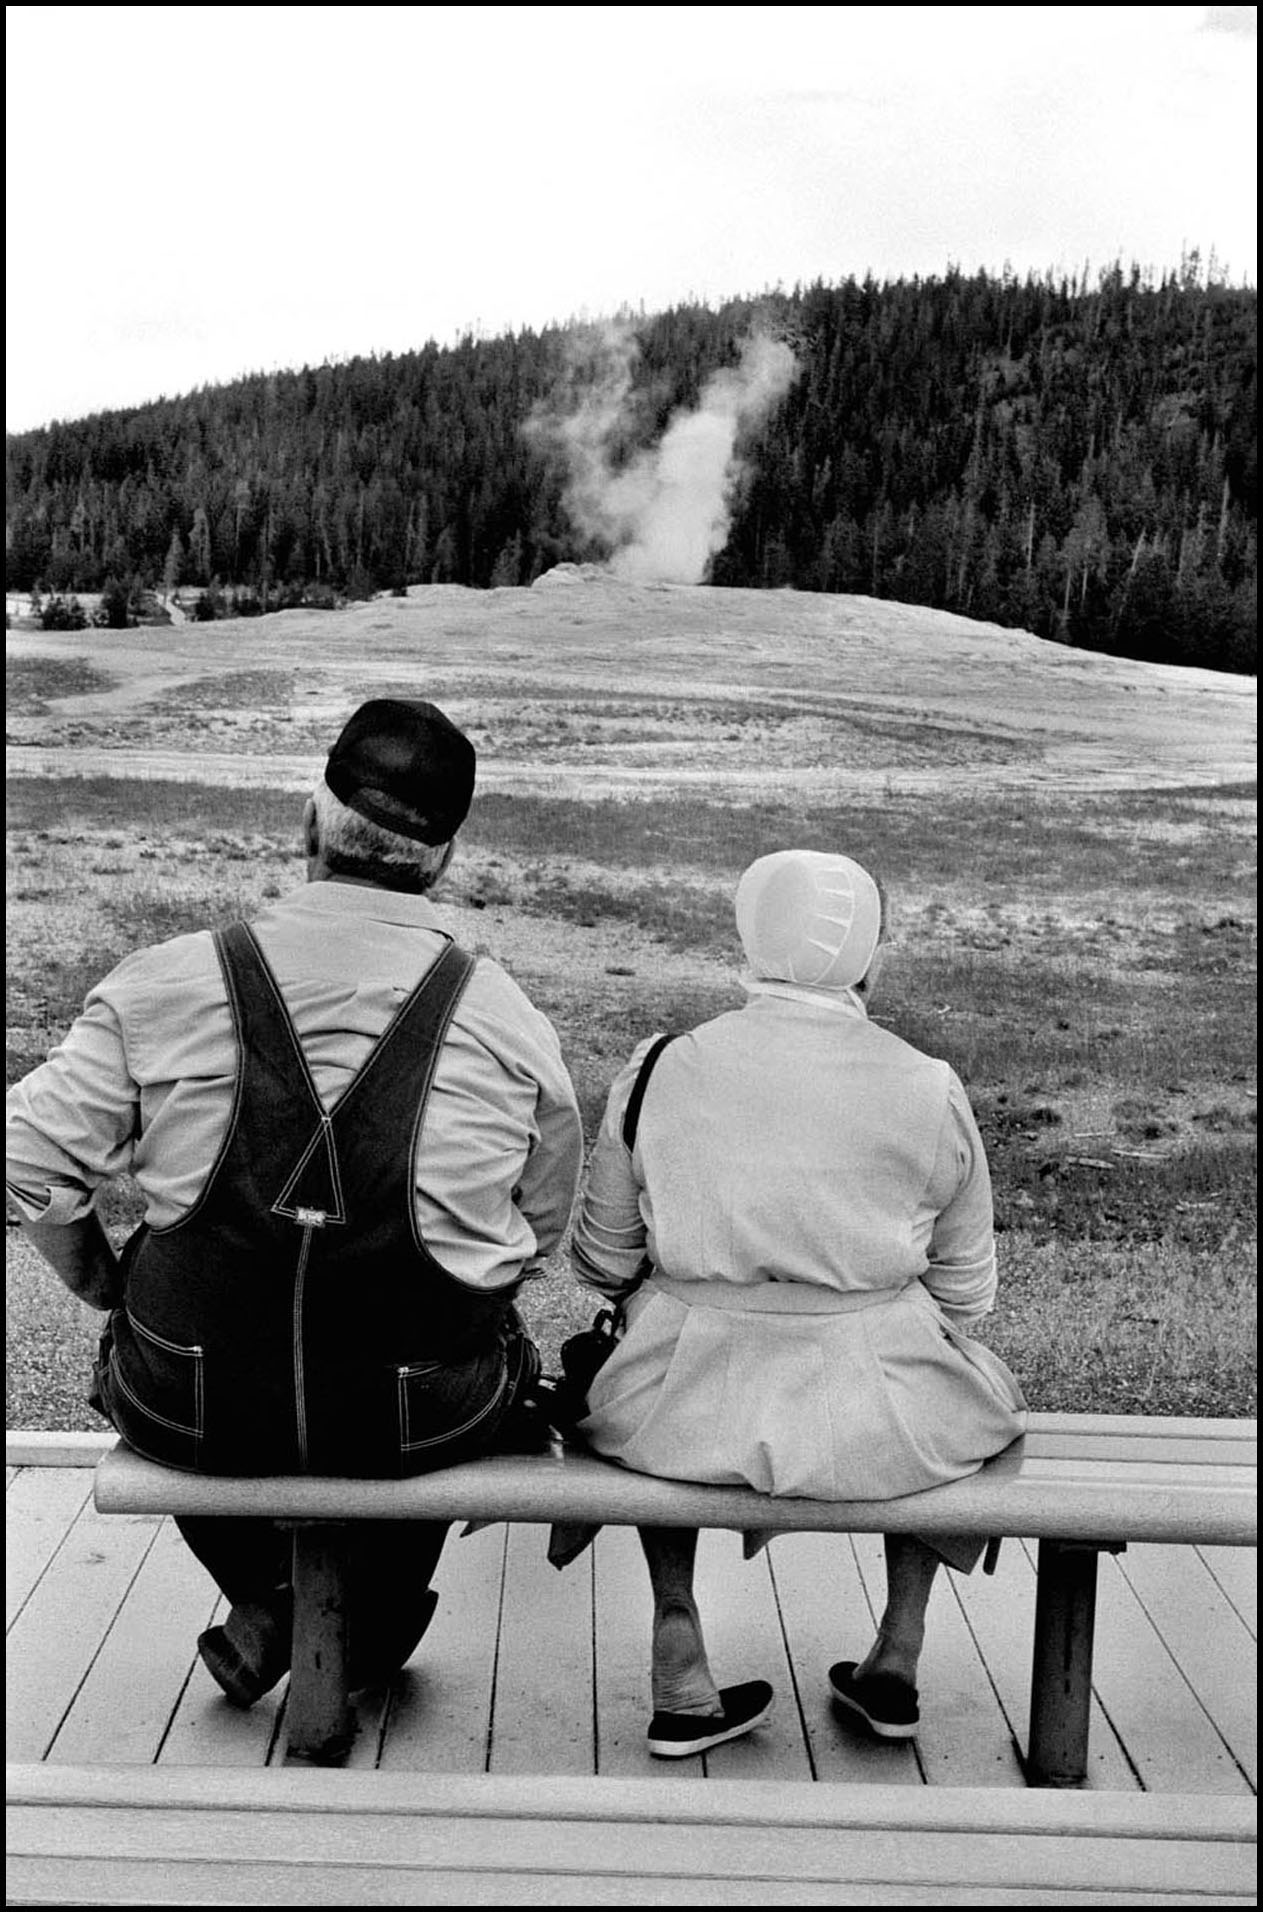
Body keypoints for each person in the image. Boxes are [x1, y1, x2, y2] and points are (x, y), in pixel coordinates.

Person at [6, 698, 583, 1706]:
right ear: (442, 859)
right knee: (494, 1347)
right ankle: (364, 1617)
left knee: (149, 1346)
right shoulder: (506, 1018)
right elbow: (535, 1230)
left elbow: (21, 1157)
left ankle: (266, 1596)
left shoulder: (165, 981)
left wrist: (99, 1274)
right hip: (416, 1412)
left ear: (310, 822)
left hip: (191, 1397)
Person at [569, 848, 1026, 1758]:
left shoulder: (660, 1067)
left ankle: (677, 1638)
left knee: (650, 1384)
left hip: (676, 1400)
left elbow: (599, 1258)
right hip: (874, 1408)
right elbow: (966, 1292)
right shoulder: (925, 1083)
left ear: (747, 936)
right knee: (960, 1389)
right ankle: (896, 1650)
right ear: (869, 955)